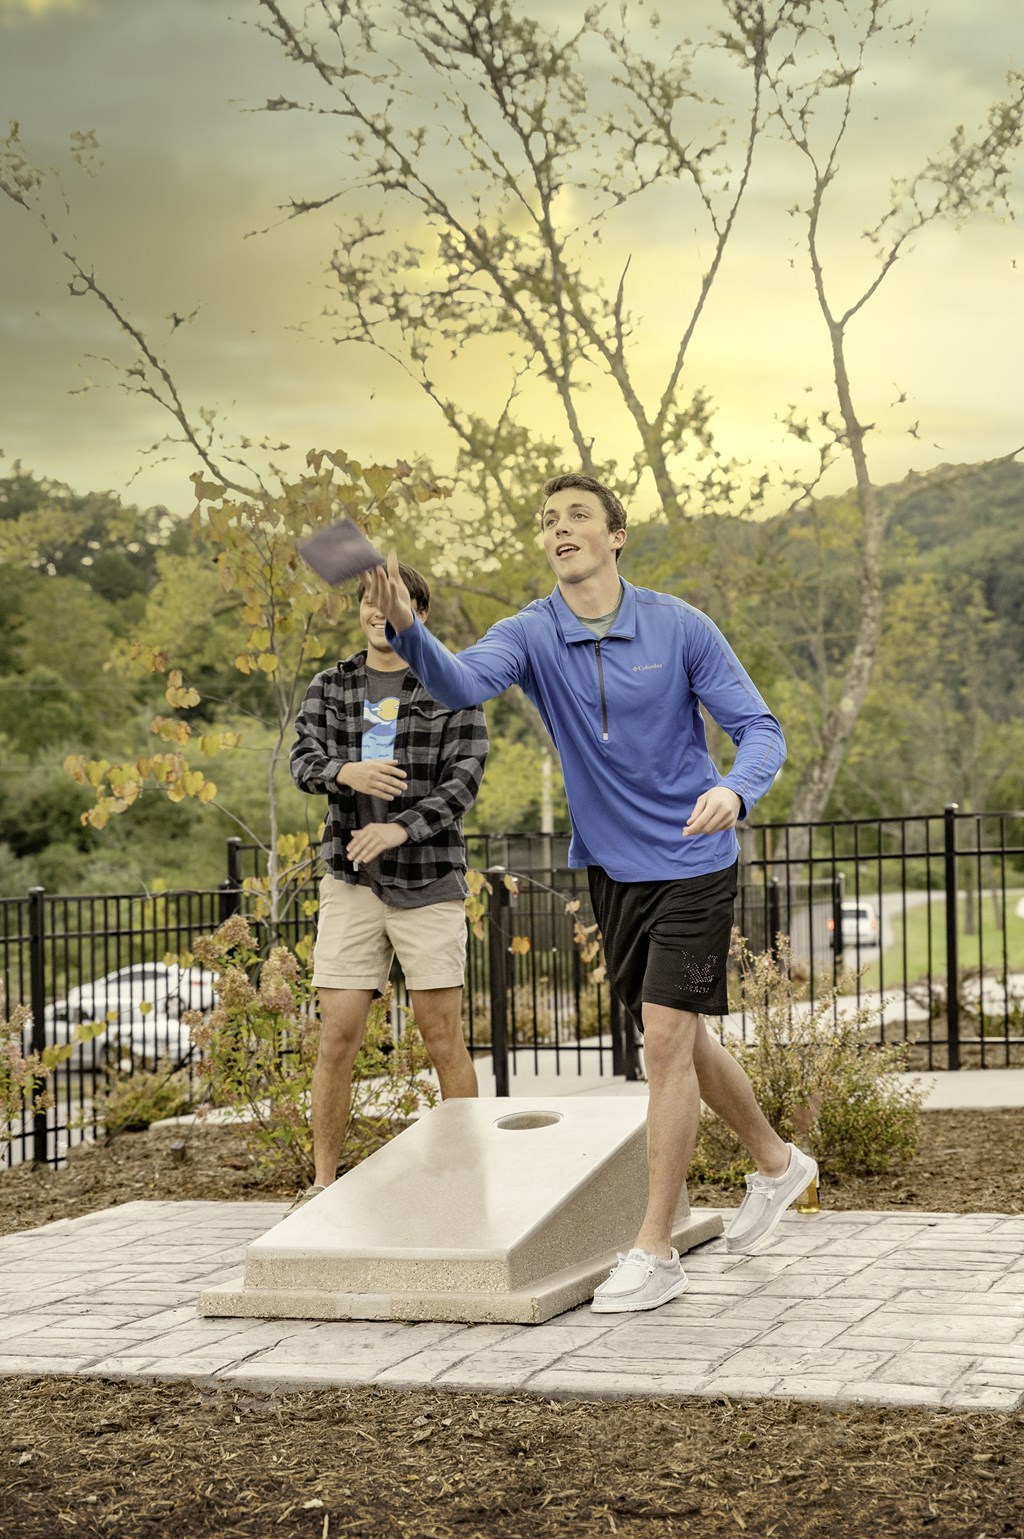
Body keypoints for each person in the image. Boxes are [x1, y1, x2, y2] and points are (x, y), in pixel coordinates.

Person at [363, 473, 817, 1312]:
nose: (560, 528)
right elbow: (462, 683)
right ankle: (779, 1163)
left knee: (666, 1048)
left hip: (695, 859)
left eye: (578, 515)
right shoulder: (531, 632)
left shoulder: (679, 626)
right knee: (680, 1038)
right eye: (548, 520)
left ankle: (654, 1250)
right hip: (612, 869)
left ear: (616, 536)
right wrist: (407, 629)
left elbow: (761, 729)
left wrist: (738, 790)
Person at [289, 563, 489, 1207]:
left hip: (428, 881)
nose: (380, 613)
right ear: (359, 611)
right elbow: (303, 761)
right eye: (369, 602)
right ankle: (323, 1183)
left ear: (417, 615)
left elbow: (464, 782)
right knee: (337, 1037)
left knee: (441, 1037)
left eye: (394, 604)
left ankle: (467, 1181)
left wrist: (401, 828)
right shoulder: (331, 684)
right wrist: (348, 771)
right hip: (350, 883)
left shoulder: (451, 685)